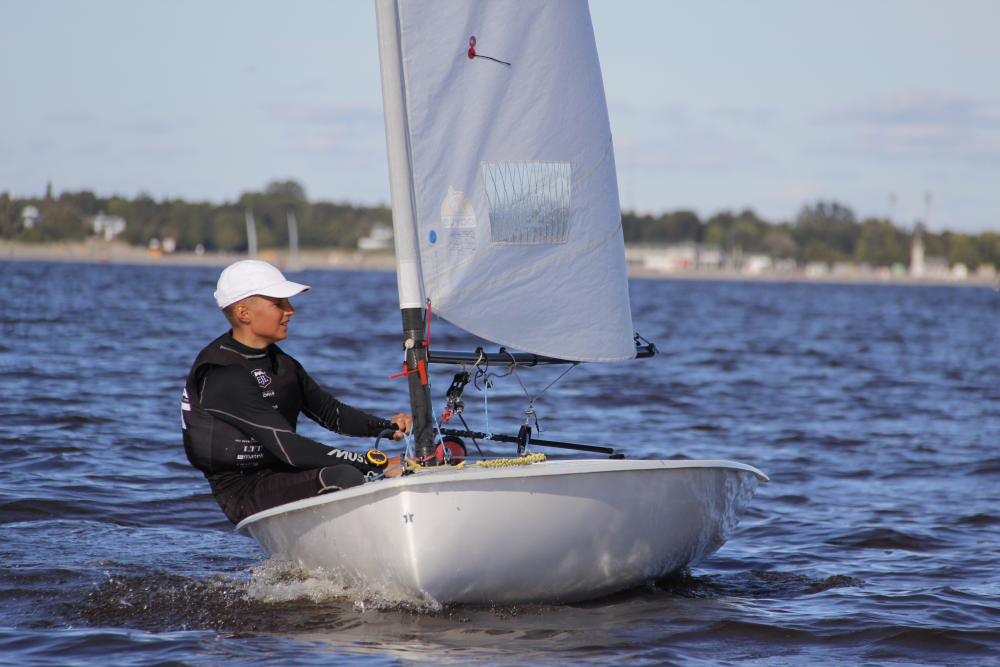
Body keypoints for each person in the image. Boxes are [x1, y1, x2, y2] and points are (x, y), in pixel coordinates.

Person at [181, 260, 412, 525]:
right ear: (244, 313)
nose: (290, 311)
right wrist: (377, 464)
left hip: (284, 472)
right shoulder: (222, 374)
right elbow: (288, 446)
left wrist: (389, 428)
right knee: (345, 476)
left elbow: (332, 413)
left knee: (409, 466)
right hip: (244, 492)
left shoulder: (282, 364)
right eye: (279, 304)